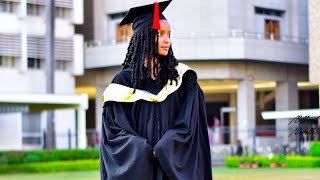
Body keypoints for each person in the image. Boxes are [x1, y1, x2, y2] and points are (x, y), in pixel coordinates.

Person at [99, 1, 212, 179]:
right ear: (143, 36)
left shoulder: (181, 80)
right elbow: (114, 134)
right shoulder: (123, 84)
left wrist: (165, 147)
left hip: (172, 169)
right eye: (160, 34)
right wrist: (143, 149)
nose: (167, 40)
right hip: (140, 171)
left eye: (169, 34)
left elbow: (190, 125)